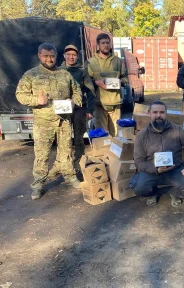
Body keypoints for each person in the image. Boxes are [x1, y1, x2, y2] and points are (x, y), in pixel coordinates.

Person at [15, 43, 82, 200]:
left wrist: (74, 101)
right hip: (43, 122)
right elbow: (20, 94)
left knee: (66, 151)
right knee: (42, 154)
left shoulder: (64, 74)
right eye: (46, 56)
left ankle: (70, 176)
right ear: (39, 55)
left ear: (56, 56)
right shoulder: (31, 75)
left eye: (52, 56)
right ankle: (38, 184)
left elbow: (77, 90)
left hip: (63, 121)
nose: (49, 59)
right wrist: (35, 100)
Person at [130, 100, 184, 207]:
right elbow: (139, 161)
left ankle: (174, 192)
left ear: (166, 113)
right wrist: (155, 169)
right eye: (155, 112)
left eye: (162, 112)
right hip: (152, 171)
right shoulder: (142, 135)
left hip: (175, 169)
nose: (158, 115)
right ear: (149, 114)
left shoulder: (176, 130)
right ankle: (154, 193)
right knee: (139, 188)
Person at [48, 45, 96, 178]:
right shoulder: (57, 71)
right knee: (62, 138)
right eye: (68, 54)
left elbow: (91, 92)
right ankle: (60, 165)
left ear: (77, 57)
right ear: (64, 56)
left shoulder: (82, 72)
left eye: (74, 55)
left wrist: (90, 110)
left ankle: (79, 164)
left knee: (79, 138)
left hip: (79, 109)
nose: (71, 57)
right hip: (62, 111)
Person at [86, 33, 127, 136]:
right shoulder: (90, 63)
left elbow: (125, 79)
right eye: (103, 43)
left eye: (108, 43)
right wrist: (96, 82)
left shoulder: (118, 61)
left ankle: (114, 152)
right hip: (99, 104)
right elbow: (85, 82)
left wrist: (119, 82)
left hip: (115, 104)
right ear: (98, 45)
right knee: (102, 136)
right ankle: (104, 152)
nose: (106, 45)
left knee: (117, 135)